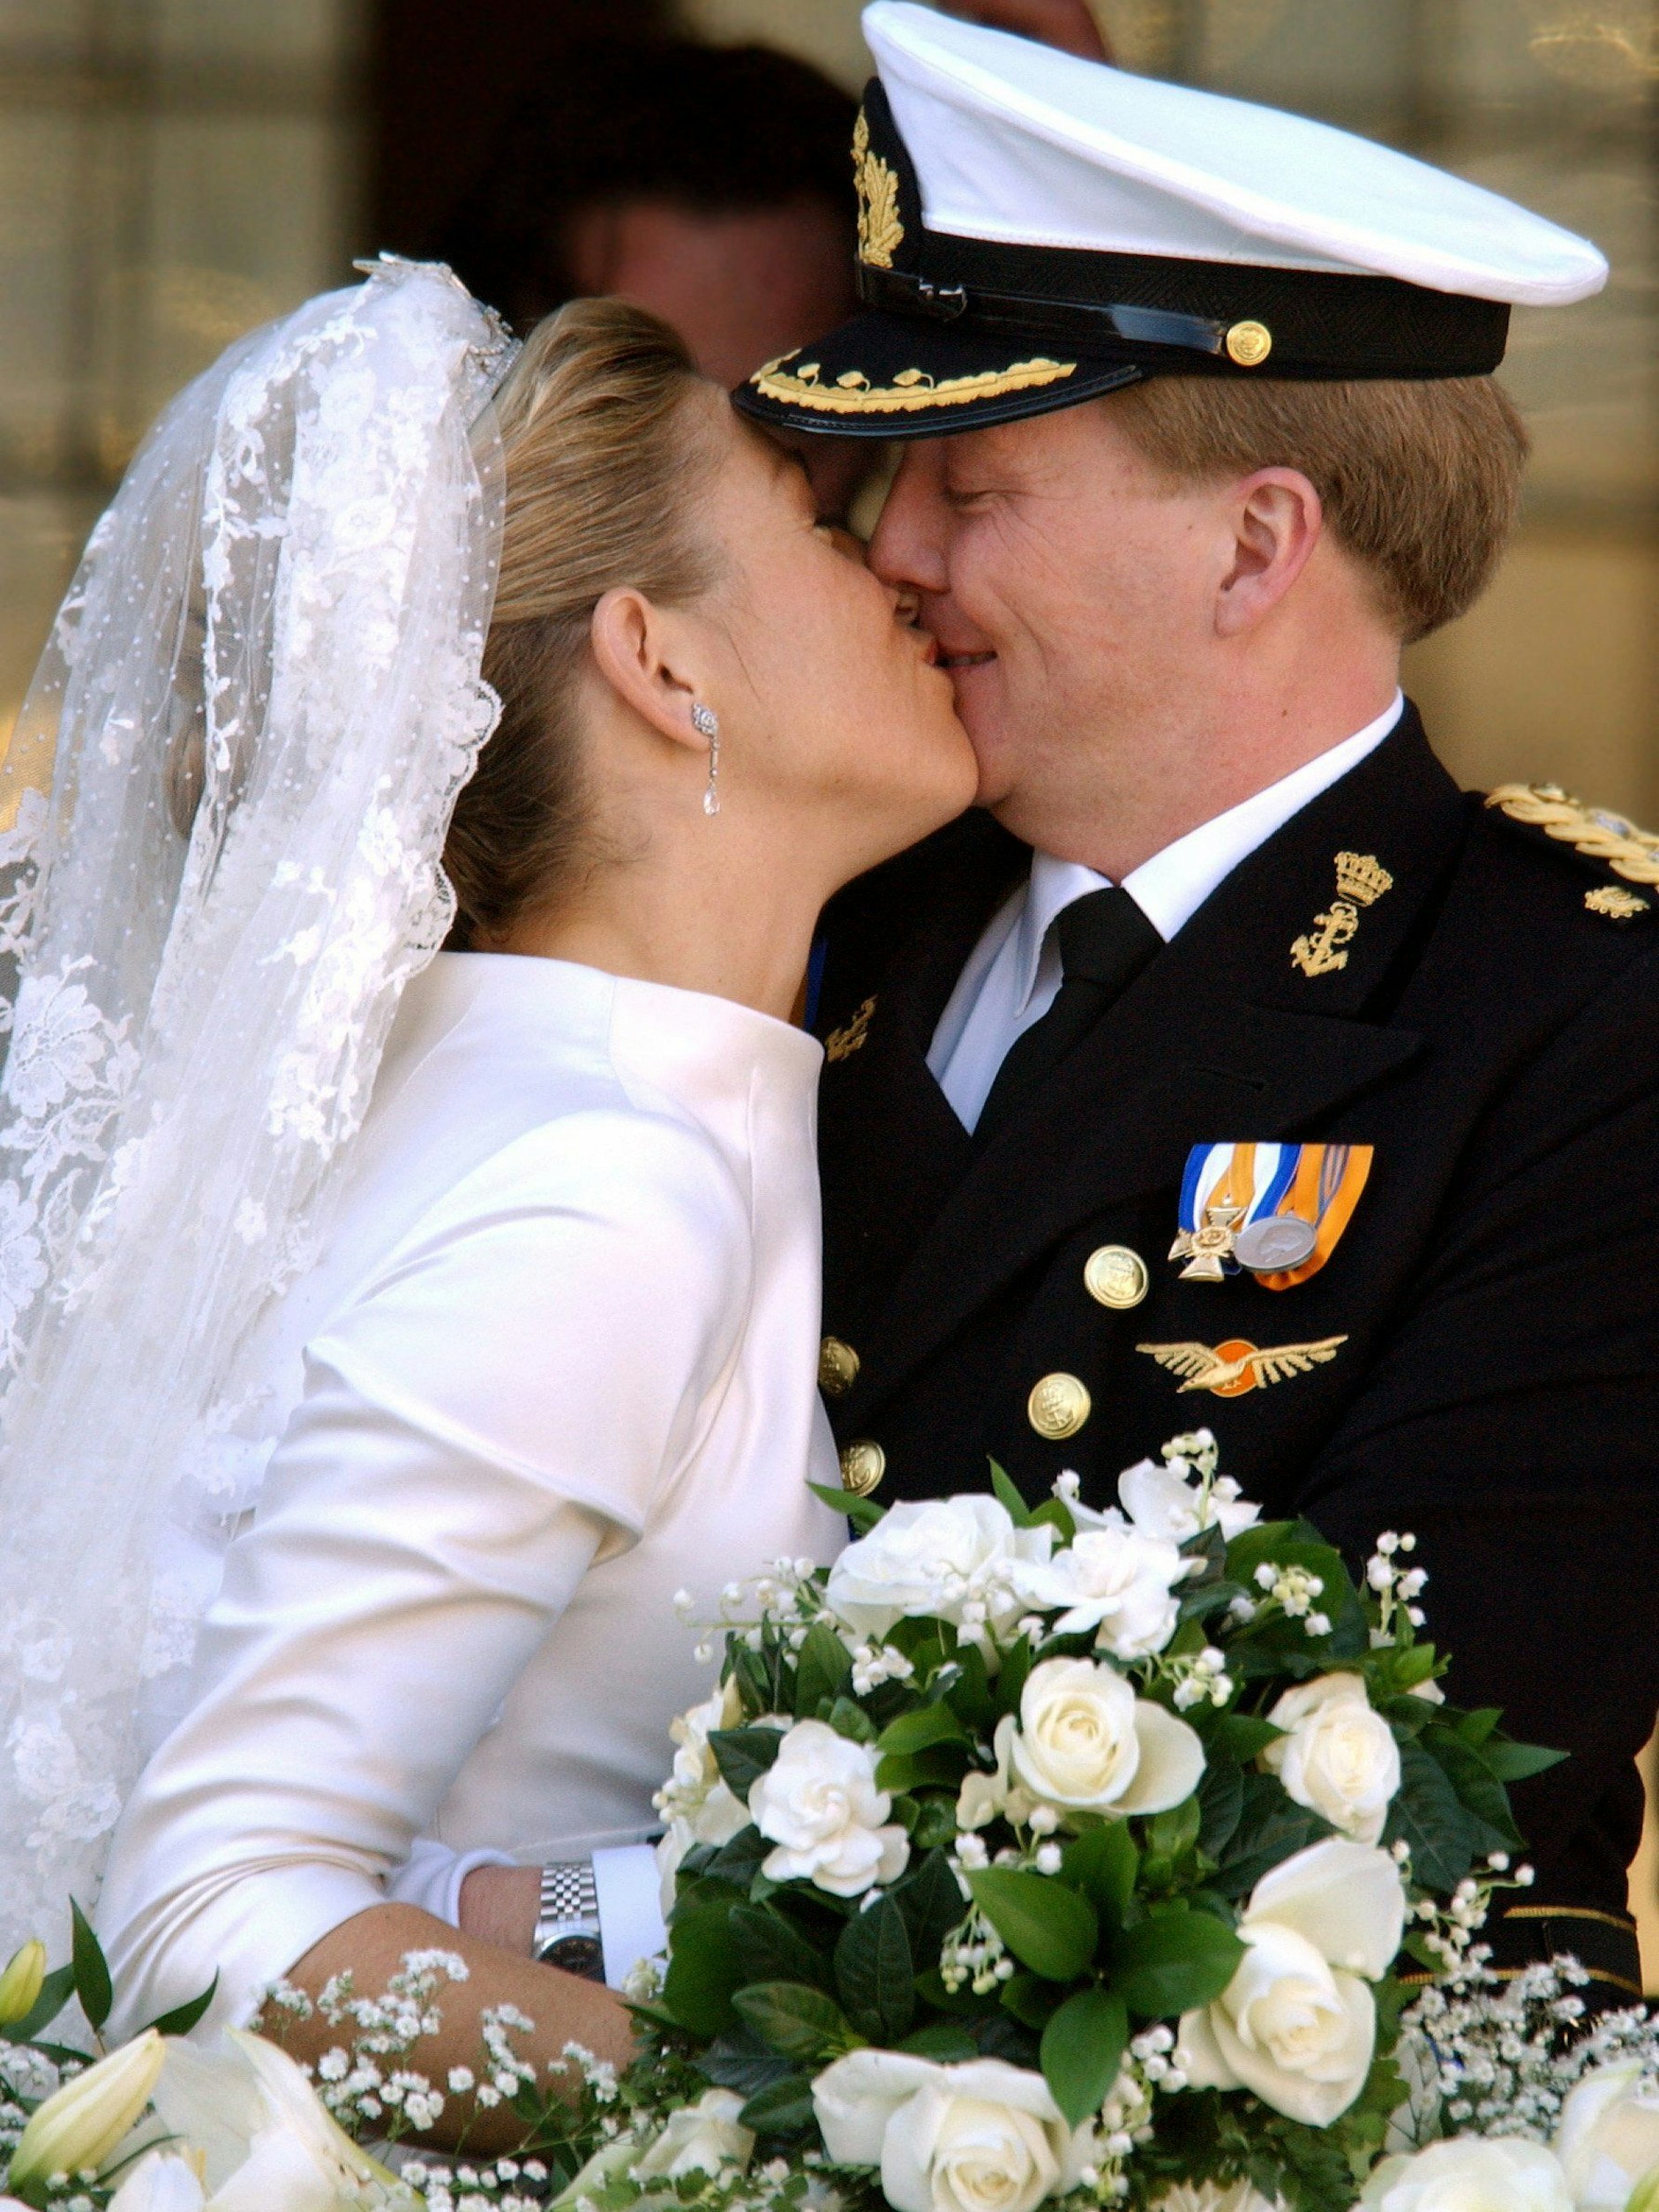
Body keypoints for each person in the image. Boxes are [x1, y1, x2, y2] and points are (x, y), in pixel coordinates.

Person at [727, 3, 1657, 1999]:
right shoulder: (825, 900)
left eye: (969, 489)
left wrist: (572, 1921)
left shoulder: (1581, 1023)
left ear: (1253, 544)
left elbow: (1394, 1770)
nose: (886, 550)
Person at [0, 261, 973, 2107]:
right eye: (810, 520)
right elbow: (210, 1911)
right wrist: (793, 2134)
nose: (898, 563)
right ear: (657, 657)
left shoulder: (493, 1093)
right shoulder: (599, 1187)